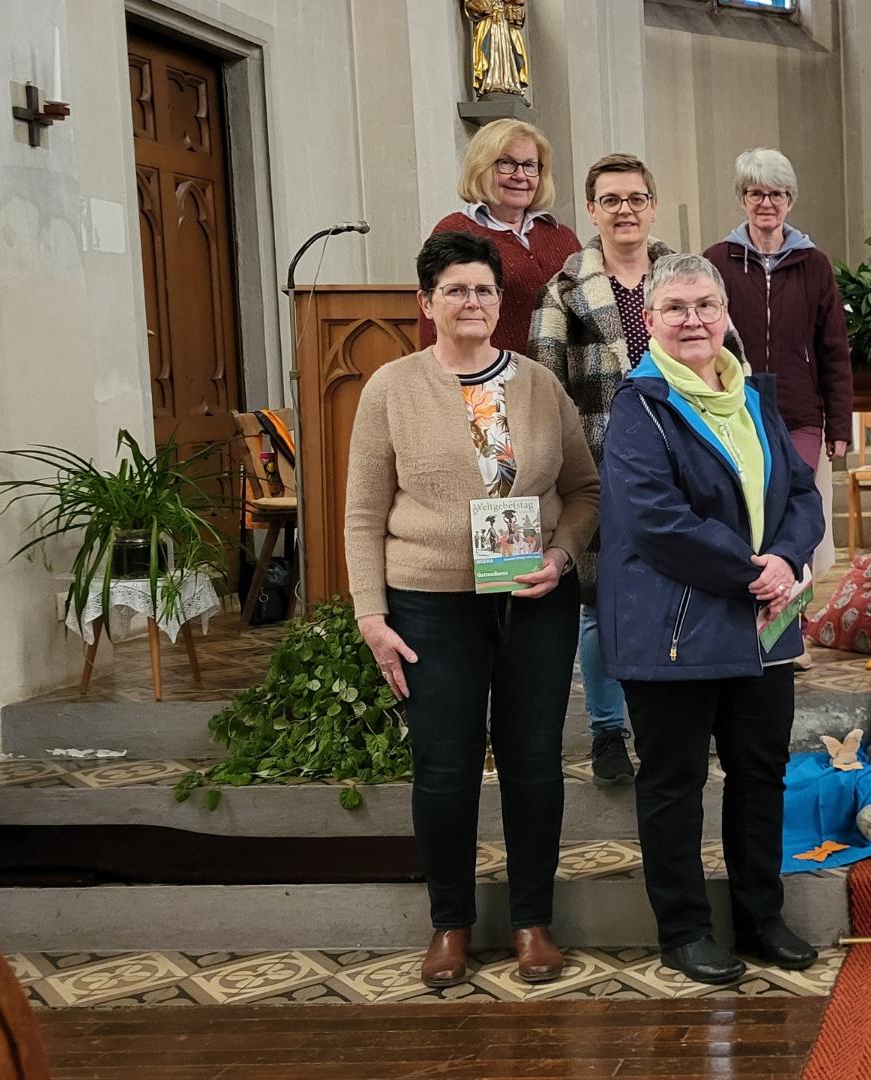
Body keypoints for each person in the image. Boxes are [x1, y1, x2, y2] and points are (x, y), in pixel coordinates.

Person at [346, 231, 600, 988]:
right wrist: (370, 615)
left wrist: (560, 556)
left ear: (500, 302)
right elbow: (362, 512)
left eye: (484, 290)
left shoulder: (538, 385)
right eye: (455, 290)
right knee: (445, 768)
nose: (472, 302)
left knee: (531, 764)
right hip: (430, 604)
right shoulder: (390, 388)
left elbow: (585, 490)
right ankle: (450, 926)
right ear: (426, 304)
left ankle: (532, 924)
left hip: (532, 599)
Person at [598, 252, 825, 984]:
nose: (692, 320)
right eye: (675, 308)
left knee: (761, 774)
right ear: (652, 322)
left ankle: (761, 916)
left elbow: (800, 494)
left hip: (763, 622)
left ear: (725, 314)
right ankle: (686, 929)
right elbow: (656, 522)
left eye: (703, 306)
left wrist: (788, 557)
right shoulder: (640, 406)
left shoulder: (754, 397)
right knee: (675, 781)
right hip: (677, 626)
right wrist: (753, 571)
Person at [530, 153, 738, 786]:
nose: (625, 210)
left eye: (636, 198)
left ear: (652, 205)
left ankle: (682, 709)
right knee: (600, 601)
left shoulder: (684, 276)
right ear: (591, 212)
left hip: (686, 463)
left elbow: (726, 361)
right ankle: (607, 730)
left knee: (687, 581)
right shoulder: (565, 288)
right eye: (611, 200)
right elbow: (546, 386)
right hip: (598, 465)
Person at [704, 148, 850, 584]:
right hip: (736, 408)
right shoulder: (717, 259)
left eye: (776, 193)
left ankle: (793, 615)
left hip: (800, 413)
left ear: (790, 200)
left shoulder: (814, 264)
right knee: (748, 508)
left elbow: (834, 349)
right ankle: (752, 609)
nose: (766, 203)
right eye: (755, 193)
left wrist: (839, 426)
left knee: (792, 508)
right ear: (742, 198)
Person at [418, 118, 582, 354]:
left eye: (530, 165)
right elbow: (433, 323)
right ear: (481, 167)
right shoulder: (454, 231)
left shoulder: (562, 236)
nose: (520, 175)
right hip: (487, 380)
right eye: (506, 163)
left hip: (559, 381)